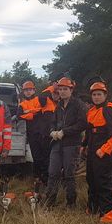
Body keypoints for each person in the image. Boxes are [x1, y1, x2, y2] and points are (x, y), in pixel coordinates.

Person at [45, 77, 87, 207]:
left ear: (71, 90)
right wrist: (52, 131)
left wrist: (65, 131)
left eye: (65, 89)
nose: (62, 91)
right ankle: (49, 202)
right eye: (60, 89)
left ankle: (71, 203)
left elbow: (82, 124)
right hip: (57, 143)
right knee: (53, 173)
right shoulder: (58, 106)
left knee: (69, 174)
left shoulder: (78, 105)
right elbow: (52, 122)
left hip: (72, 144)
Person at [82, 81, 112, 223]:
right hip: (93, 147)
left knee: (103, 180)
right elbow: (89, 131)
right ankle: (93, 207)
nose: (96, 97)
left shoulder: (109, 109)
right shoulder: (91, 111)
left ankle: (108, 212)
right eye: (94, 95)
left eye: (99, 94)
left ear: (105, 95)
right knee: (91, 178)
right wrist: (84, 146)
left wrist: (104, 150)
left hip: (104, 149)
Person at [18, 80, 55, 187]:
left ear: (34, 90)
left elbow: (48, 109)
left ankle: (46, 180)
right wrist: (33, 113)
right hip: (32, 135)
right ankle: (38, 178)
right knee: (36, 157)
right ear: (23, 92)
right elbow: (19, 115)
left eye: (30, 89)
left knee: (46, 157)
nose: (28, 92)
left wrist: (29, 112)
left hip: (44, 134)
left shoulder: (40, 99)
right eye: (26, 90)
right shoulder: (22, 104)